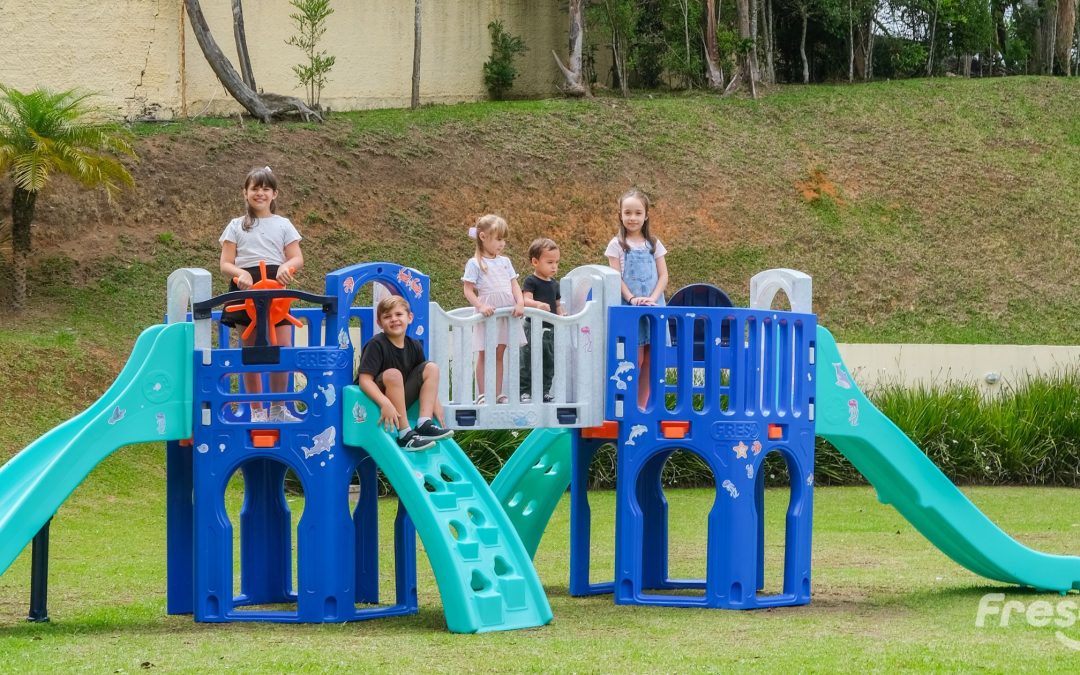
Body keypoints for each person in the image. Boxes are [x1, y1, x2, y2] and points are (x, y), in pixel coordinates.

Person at [219, 166, 304, 422]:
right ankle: (256, 411)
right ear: (245, 193)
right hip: (246, 291)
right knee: (251, 352)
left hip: (275, 290)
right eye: (255, 188)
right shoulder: (235, 226)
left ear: (275, 194)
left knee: (283, 349)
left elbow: (297, 257)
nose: (260, 193)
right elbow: (225, 263)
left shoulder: (284, 224)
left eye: (266, 188)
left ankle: (278, 408)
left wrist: (287, 268)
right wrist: (239, 274)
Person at [356, 296, 454, 451]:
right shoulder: (376, 344)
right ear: (379, 323)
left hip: (400, 402)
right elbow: (365, 381)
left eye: (398, 314)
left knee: (431, 367)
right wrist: (384, 403)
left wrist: (436, 403)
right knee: (394, 374)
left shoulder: (414, 346)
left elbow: (424, 377)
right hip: (374, 404)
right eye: (387, 317)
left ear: (409, 317)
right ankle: (404, 434)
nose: (394, 319)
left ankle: (424, 423)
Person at [604, 189, 669, 409]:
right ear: (620, 215)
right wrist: (632, 299)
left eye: (638, 213)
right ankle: (628, 405)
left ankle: (641, 406)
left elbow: (663, 275)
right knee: (635, 360)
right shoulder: (617, 245)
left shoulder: (654, 244)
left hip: (654, 306)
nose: (633, 218)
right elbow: (616, 277)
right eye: (628, 212)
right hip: (630, 309)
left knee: (652, 361)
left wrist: (652, 298)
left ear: (646, 215)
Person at [462, 214, 526, 404]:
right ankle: (482, 394)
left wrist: (520, 302)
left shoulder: (505, 261)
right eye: (498, 239)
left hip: (505, 312)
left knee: (499, 353)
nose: (502, 244)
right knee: (484, 353)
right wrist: (480, 306)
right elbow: (468, 290)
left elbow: (514, 284)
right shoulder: (475, 263)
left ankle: (497, 393)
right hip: (488, 313)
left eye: (503, 239)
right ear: (483, 237)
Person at [518, 238, 564, 403]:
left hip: (549, 330)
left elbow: (558, 305)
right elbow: (525, 300)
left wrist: (562, 315)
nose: (554, 266)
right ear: (535, 262)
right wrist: (537, 305)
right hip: (532, 327)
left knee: (548, 361)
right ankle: (525, 391)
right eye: (550, 262)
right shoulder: (531, 281)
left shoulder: (554, 284)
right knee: (528, 360)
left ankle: (544, 391)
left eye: (556, 262)